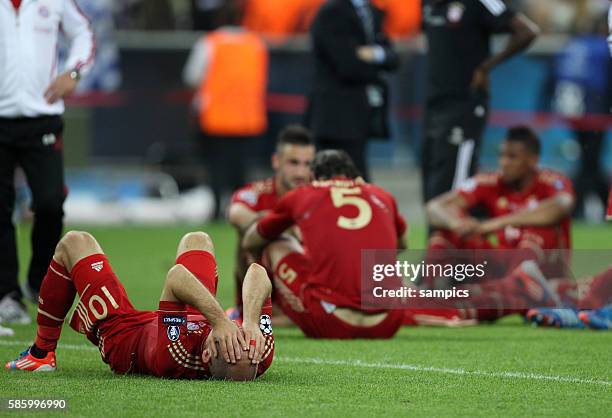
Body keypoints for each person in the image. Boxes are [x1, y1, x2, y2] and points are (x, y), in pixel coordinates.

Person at [6, 230, 275, 380]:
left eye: (229, 340)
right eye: (242, 337)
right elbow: (257, 272)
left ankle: (41, 354)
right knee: (198, 239)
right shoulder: (259, 355)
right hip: (192, 320)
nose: (237, 334)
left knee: (74, 242)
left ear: (206, 355)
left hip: (126, 335)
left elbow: (176, 277)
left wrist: (218, 322)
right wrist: (250, 323)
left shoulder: (176, 357)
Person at [243, 150, 407, 338]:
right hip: (388, 322)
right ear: (356, 176)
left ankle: (257, 312)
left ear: (314, 177)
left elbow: (251, 240)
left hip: (331, 321)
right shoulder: (383, 195)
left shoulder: (302, 194)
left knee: (276, 245)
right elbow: (401, 246)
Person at [0, 0, 95, 323]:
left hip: (43, 116)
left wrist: (74, 70)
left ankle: (37, 280)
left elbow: (84, 32)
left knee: (51, 202)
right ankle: (6, 294)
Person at [421, 0, 539, 209]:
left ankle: (455, 241)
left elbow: (527, 31)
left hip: (464, 102)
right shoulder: (428, 4)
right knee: (431, 189)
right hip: (434, 102)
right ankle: (437, 241)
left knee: (452, 191)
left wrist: (486, 68)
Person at [183, 3, 268, 219]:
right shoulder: (256, 44)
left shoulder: (210, 43)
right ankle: (241, 210)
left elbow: (192, 77)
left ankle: (217, 210)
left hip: (216, 118)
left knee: (215, 168)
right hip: (248, 118)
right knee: (241, 169)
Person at [227, 125, 315, 319]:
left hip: (308, 289)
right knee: (253, 235)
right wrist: (279, 225)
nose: (301, 172)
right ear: (276, 161)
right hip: (265, 292)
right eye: (294, 163)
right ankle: (257, 310)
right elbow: (235, 213)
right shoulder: (260, 192)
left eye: (307, 164)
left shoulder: (318, 196)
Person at [307, 0, 399, 180]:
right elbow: (347, 65)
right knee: (332, 180)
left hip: (360, 114)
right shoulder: (332, 12)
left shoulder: (372, 11)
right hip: (334, 115)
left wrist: (373, 54)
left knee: (356, 177)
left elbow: (393, 58)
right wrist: (377, 62)